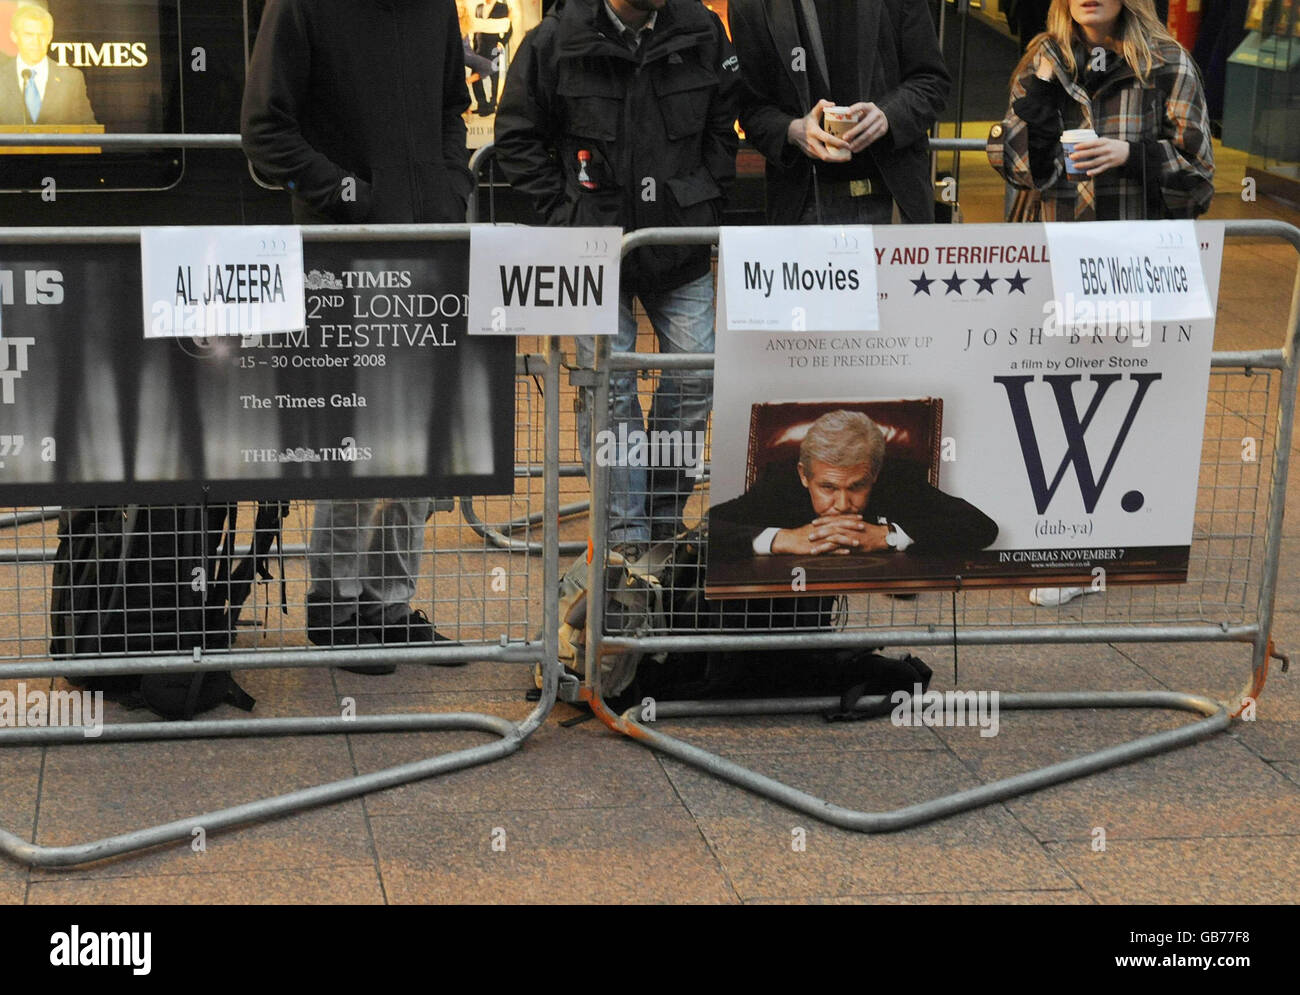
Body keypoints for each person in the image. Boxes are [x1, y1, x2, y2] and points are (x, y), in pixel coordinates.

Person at [241, 0, 473, 671]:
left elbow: (450, 111)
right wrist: (352, 196)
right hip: (339, 255)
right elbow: (264, 131)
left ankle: (389, 604)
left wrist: (447, 189)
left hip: (426, 246)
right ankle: (335, 604)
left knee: (416, 440)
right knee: (353, 434)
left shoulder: (434, 9)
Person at [493, 0, 741, 561]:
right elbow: (516, 138)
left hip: (677, 241)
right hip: (589, 249)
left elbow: (725, 126)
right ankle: (625, 536)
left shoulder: (702, 29)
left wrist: (705, 198)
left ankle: (661, 519)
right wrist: (562, 216)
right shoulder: (555, 39)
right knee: (609, 387)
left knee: (698, 375)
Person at [986, 0, 1213, 605]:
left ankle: (1086, 553)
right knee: (1051, 394)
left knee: (1107, 400)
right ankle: (1058, 539)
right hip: (1051, 248)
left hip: (1128, 252)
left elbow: (1201, 174)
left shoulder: (1166, 60)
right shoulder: (1045, 57)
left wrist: (1130, 156)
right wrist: (1032, 127)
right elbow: (1007, 163)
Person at [986, 0, 1214, 223]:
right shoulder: (1042, 61)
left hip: (1134, 246)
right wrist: (1042, 86)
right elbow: (1017, 169)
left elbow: (1198, 178)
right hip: (1052, 240)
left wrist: (1131, 155)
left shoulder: (1167, 63)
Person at [727, 0, 949, 225]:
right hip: (803, 205)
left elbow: (932, 81)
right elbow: (750, 108)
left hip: (894, 200)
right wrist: (793, 131)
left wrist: (888, 116)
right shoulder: (751, 5)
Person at [709, 409, 997, 562]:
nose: (843, 504)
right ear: (804, 476)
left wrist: (889, 537)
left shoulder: (897, 478)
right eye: (828, 488)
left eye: (857, 487)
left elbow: (981, 526)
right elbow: (708, 528)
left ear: (874, 474)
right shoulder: (780, 483)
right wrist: (782, 539)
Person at [0, 4, 97, 126]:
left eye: (41, 35)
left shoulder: (71, 79)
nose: (36, 42)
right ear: (14, 36)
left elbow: (88, 132)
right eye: (28, 35)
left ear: (50, 38)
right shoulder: (1, 78)